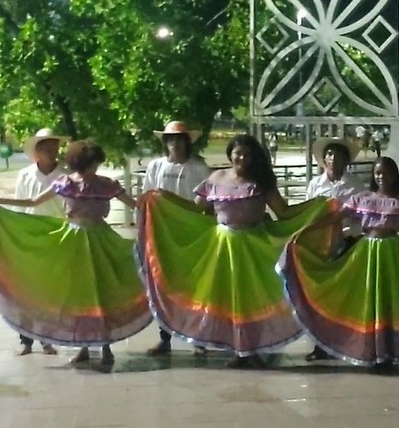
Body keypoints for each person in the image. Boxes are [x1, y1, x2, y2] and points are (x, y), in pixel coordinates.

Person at [136, 134, 331, 368]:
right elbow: (196, 208)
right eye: (238, 153)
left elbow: (284, 212)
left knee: (252, 300)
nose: (242, 158)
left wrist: (317, 204)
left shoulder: (261, 180)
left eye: (247, 155)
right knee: (229, 301)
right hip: (222, 246)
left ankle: (255, 350)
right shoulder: (216, 177)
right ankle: (240, 351)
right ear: (230, 154)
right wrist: (162, 196)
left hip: (254, 246)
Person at [278, 157, 399, 371]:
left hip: (393, 253)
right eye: (378, 173)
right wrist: (306, 230)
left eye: (386, 173)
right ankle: (371, 350)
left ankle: (388, 351)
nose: (382, 177)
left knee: (390, 302)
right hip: (366, 253)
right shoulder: (362, 198)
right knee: (367, 301)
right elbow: (335, 217)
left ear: (394, 175)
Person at [0, 140, 149, 366]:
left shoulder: (106, 184)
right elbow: (33, 201)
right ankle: (84, 348)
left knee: (103, 293)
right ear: (82, 163)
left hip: (101, 240)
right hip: (73, 241)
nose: (95, 168)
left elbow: (135, 204)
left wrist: (158, 205)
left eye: (97, 164)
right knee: (79, 296)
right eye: (92, 164)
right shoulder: (66, 182)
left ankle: (105, 347)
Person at [143, 121, 213, 357]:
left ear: (187, 142)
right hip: (162, 233)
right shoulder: (155, 167)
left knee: (194, 287)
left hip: (191, 233)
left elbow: (207, 202)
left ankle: (198, 337)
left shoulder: (199, 168)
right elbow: (146, 199)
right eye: (171, 139)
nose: (176, 144)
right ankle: (165, 337)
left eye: (180, 139)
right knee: (163, 287)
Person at [299, 137, 366, 362]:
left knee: (345, 295)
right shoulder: (315, 185)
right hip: (320, 246)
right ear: (323, 159)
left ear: (346, 160)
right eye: (329, 154)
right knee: (320, 295)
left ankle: (345, 340)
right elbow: (307, 214)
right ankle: (320, 343)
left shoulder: (356, 186)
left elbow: (362, 217)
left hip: (348, 243)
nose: (333, 159)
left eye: (338, 155)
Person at [9, 128, 70, 356]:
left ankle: (47, 338)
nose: (51, 151)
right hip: (30, 238)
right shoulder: (25, 175)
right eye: (46, 147)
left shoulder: (65, 176)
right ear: (37, 151)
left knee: (49, 293)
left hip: (56, 238)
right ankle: (26, 340)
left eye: (54, 147)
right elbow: (19, 207)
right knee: (26, 292)